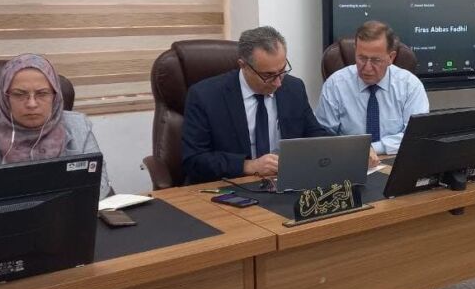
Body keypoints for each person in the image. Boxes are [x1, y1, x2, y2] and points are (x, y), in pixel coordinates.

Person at [0, 53, 113, 199]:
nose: (31, 104)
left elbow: (100, 185)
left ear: (55, 96)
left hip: (59, 219)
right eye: (19, 94)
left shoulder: (79, 126)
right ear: (4, 97)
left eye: (42, 93)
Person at [181, 26, 330, 184]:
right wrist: (248, 166)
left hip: (283, 183)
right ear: (243, 66)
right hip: (230, 185)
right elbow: (194, 160)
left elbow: (316, 137)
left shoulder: (294, 88)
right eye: (268, 75)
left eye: (282, 71)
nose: (278, 83)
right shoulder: (205, 96)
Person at [316, 21, 429, 160]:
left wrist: (373, 148)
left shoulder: (410, 85)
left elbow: (416, 136)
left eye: (376, 60)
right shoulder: (335, 85)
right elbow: (322, 136)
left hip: (395, 161)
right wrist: (352, 151)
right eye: (362, 58)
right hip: (348, 159)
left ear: (391, 58)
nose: (367, 68)